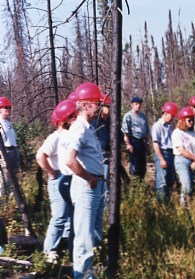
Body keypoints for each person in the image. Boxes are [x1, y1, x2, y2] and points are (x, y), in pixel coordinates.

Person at [65, 82, 106, 279]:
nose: (98, 107)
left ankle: (89, 270)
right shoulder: (79, 128)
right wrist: (89, 178)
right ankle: (81, 275)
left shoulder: (88, 128)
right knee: (84, 235)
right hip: (86, 186)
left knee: (93, 232)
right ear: (85, 104)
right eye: (96, 103)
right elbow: (70, 161)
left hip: (95, 185)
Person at [36, 100, 77, 262]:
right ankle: (49, 250)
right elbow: (40, 156)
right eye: (72, 117)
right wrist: (52, 172)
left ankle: (65, 244)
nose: (75, 120)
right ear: (64, 119)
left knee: (69, 214)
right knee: (59, 216)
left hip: (68, 176)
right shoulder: (55, 138)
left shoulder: (70, 136)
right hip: (58, 177)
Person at [150, 102, 178, 202]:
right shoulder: (157, 126)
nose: (172, 118)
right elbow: (155, 144)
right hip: (162, 153)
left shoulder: (170, 127)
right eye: (171, 115)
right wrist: (161, 159)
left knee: (170, 180)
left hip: (171, 154)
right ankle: (161, 204)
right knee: (162, 181)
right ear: (165, 113)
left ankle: (168, 203)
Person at [172, 107, 195, 205]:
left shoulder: (193, 133)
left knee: (192, 186)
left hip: (193, 161)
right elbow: (181, 150)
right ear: (183, 120)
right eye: (189, 120)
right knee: (186, 186)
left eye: (192, 120)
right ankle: (183, 207)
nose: (191, 122)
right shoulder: (177, 132)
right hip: (182, 160)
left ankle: (189, 206)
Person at [122, 97, 149, 179]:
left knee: (143, 166)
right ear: (132, 105)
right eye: (136, 104)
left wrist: (147, 143)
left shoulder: (143, 116)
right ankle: (134, 185)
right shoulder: (128, 116)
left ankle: (141, 185)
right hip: (133, 141)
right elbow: (125, 133)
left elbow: (146, 130)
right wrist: (128, 144)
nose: (138, 106)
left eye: (140, 104)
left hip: (142, 142)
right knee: (135, 166)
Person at [0, 97, 19, 197]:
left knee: (14, 179)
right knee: (5, 180)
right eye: (6, 107)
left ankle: (13, 203)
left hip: (13, 151)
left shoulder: (7, 123)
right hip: (5, 153)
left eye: (9, 107)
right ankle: (3, 202)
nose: (8, 109)